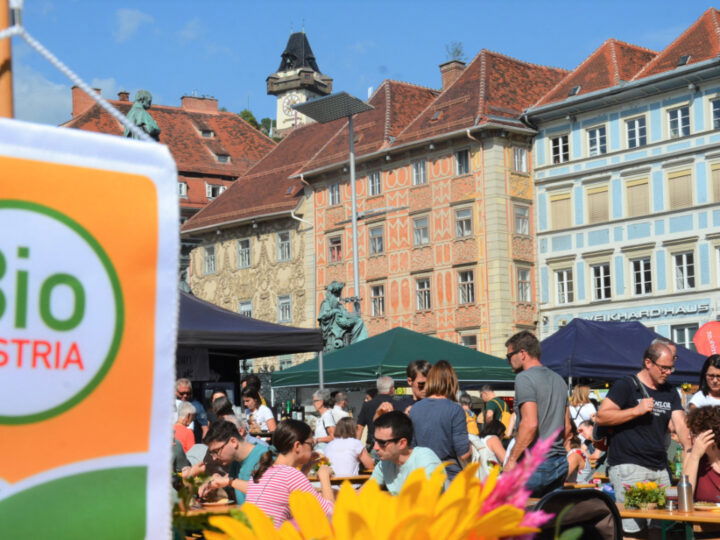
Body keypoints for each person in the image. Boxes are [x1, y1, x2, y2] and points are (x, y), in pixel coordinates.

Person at [596, 342, 692, 538]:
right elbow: (602, 416)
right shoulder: (627, 385)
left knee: (659, 528)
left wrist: (690, 450)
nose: (668, 372)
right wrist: (636, 410)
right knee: (634, 530)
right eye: (663, 367)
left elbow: (680, 424)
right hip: (629, 466)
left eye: (670, 367)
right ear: (648, 362)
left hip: (659, 467)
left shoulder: (670, 391)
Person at [504, 331, 571, 497]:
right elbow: (567, 427)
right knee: (548, 518)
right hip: (559, 462)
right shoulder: (559, 380)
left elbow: (530, 424)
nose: (509, 361)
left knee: (512, 514)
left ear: (522, 354)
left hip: (535, 463)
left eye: (509, 356)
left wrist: (512, 460)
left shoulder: (524, 378)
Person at [246, 419, 334, 527]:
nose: (313, 449)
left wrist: (305, 468)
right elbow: (330, 515)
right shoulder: (291, 475)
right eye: (311, 444)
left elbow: (288, 489)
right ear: (297, 446)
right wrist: (324, 477)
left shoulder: (261, 471)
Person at [409, 360, 470, 481]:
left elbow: (412, 448)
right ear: (451, 382)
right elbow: (463, 453)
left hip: (422, 475)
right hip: (449, 476)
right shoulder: (455, 410)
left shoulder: (415, 409)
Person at [370, 411, 442, 495]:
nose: (375, 447)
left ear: (402, 443)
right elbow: (366, 491)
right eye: (374, 440)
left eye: (382, 442)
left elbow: (427, 501)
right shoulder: (385, 463)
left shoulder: (425, 461)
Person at [198, 420, 270, 504]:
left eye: (216, 451)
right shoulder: (235, 462)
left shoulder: (265, 456)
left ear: (233, 442)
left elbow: (267, 491)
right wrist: (214, 486)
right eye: (212, 453)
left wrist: (229, 481)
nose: (214, 458)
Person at [684, 405, 720, 503]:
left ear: (709, 436)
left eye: (693, 434)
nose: (688, 437)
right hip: (701, 518)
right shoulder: (693, 458)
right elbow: (684, 498)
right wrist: (694, 457)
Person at [356, 376, 403, 449]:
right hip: (391, 444)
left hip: (372, 444)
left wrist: (355, 448)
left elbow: (359, 428)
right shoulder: (398, 404)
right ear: (391, 389)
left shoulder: (367, 405)